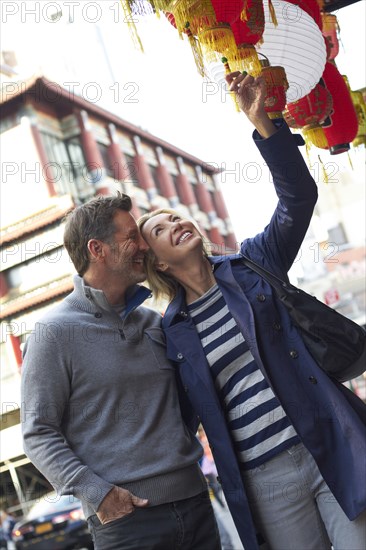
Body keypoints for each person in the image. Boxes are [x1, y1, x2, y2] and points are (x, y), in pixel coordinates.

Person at [137, 72, 366, 550]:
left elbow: (298, 200)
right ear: (157, 261)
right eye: (160, 228)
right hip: (266, 481)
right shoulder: (171, 331)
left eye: (175, 215)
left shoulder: (253, 265)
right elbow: (174, 416)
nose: (176, 221)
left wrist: (264, 125)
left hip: (329, 445)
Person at [21, 193, 222, 550]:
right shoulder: (53, 333)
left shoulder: (155, 323)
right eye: (132, 236)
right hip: (126, 524)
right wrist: (98, 494)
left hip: (195, 504)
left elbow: (186, 404)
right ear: (97, 249)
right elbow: (38, 433)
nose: (144, 245)